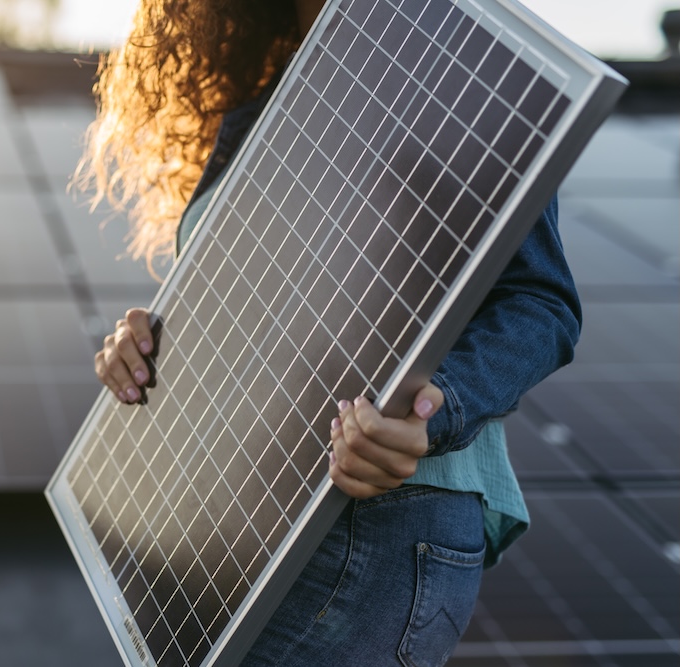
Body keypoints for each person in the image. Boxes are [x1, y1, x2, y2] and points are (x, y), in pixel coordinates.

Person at [80, 0, 581, 664]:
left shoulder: (459, 63)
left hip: (373, 511)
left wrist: (432, 409)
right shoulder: (264, 102)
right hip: (237, 527)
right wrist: (148, 348)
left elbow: (540, 302)